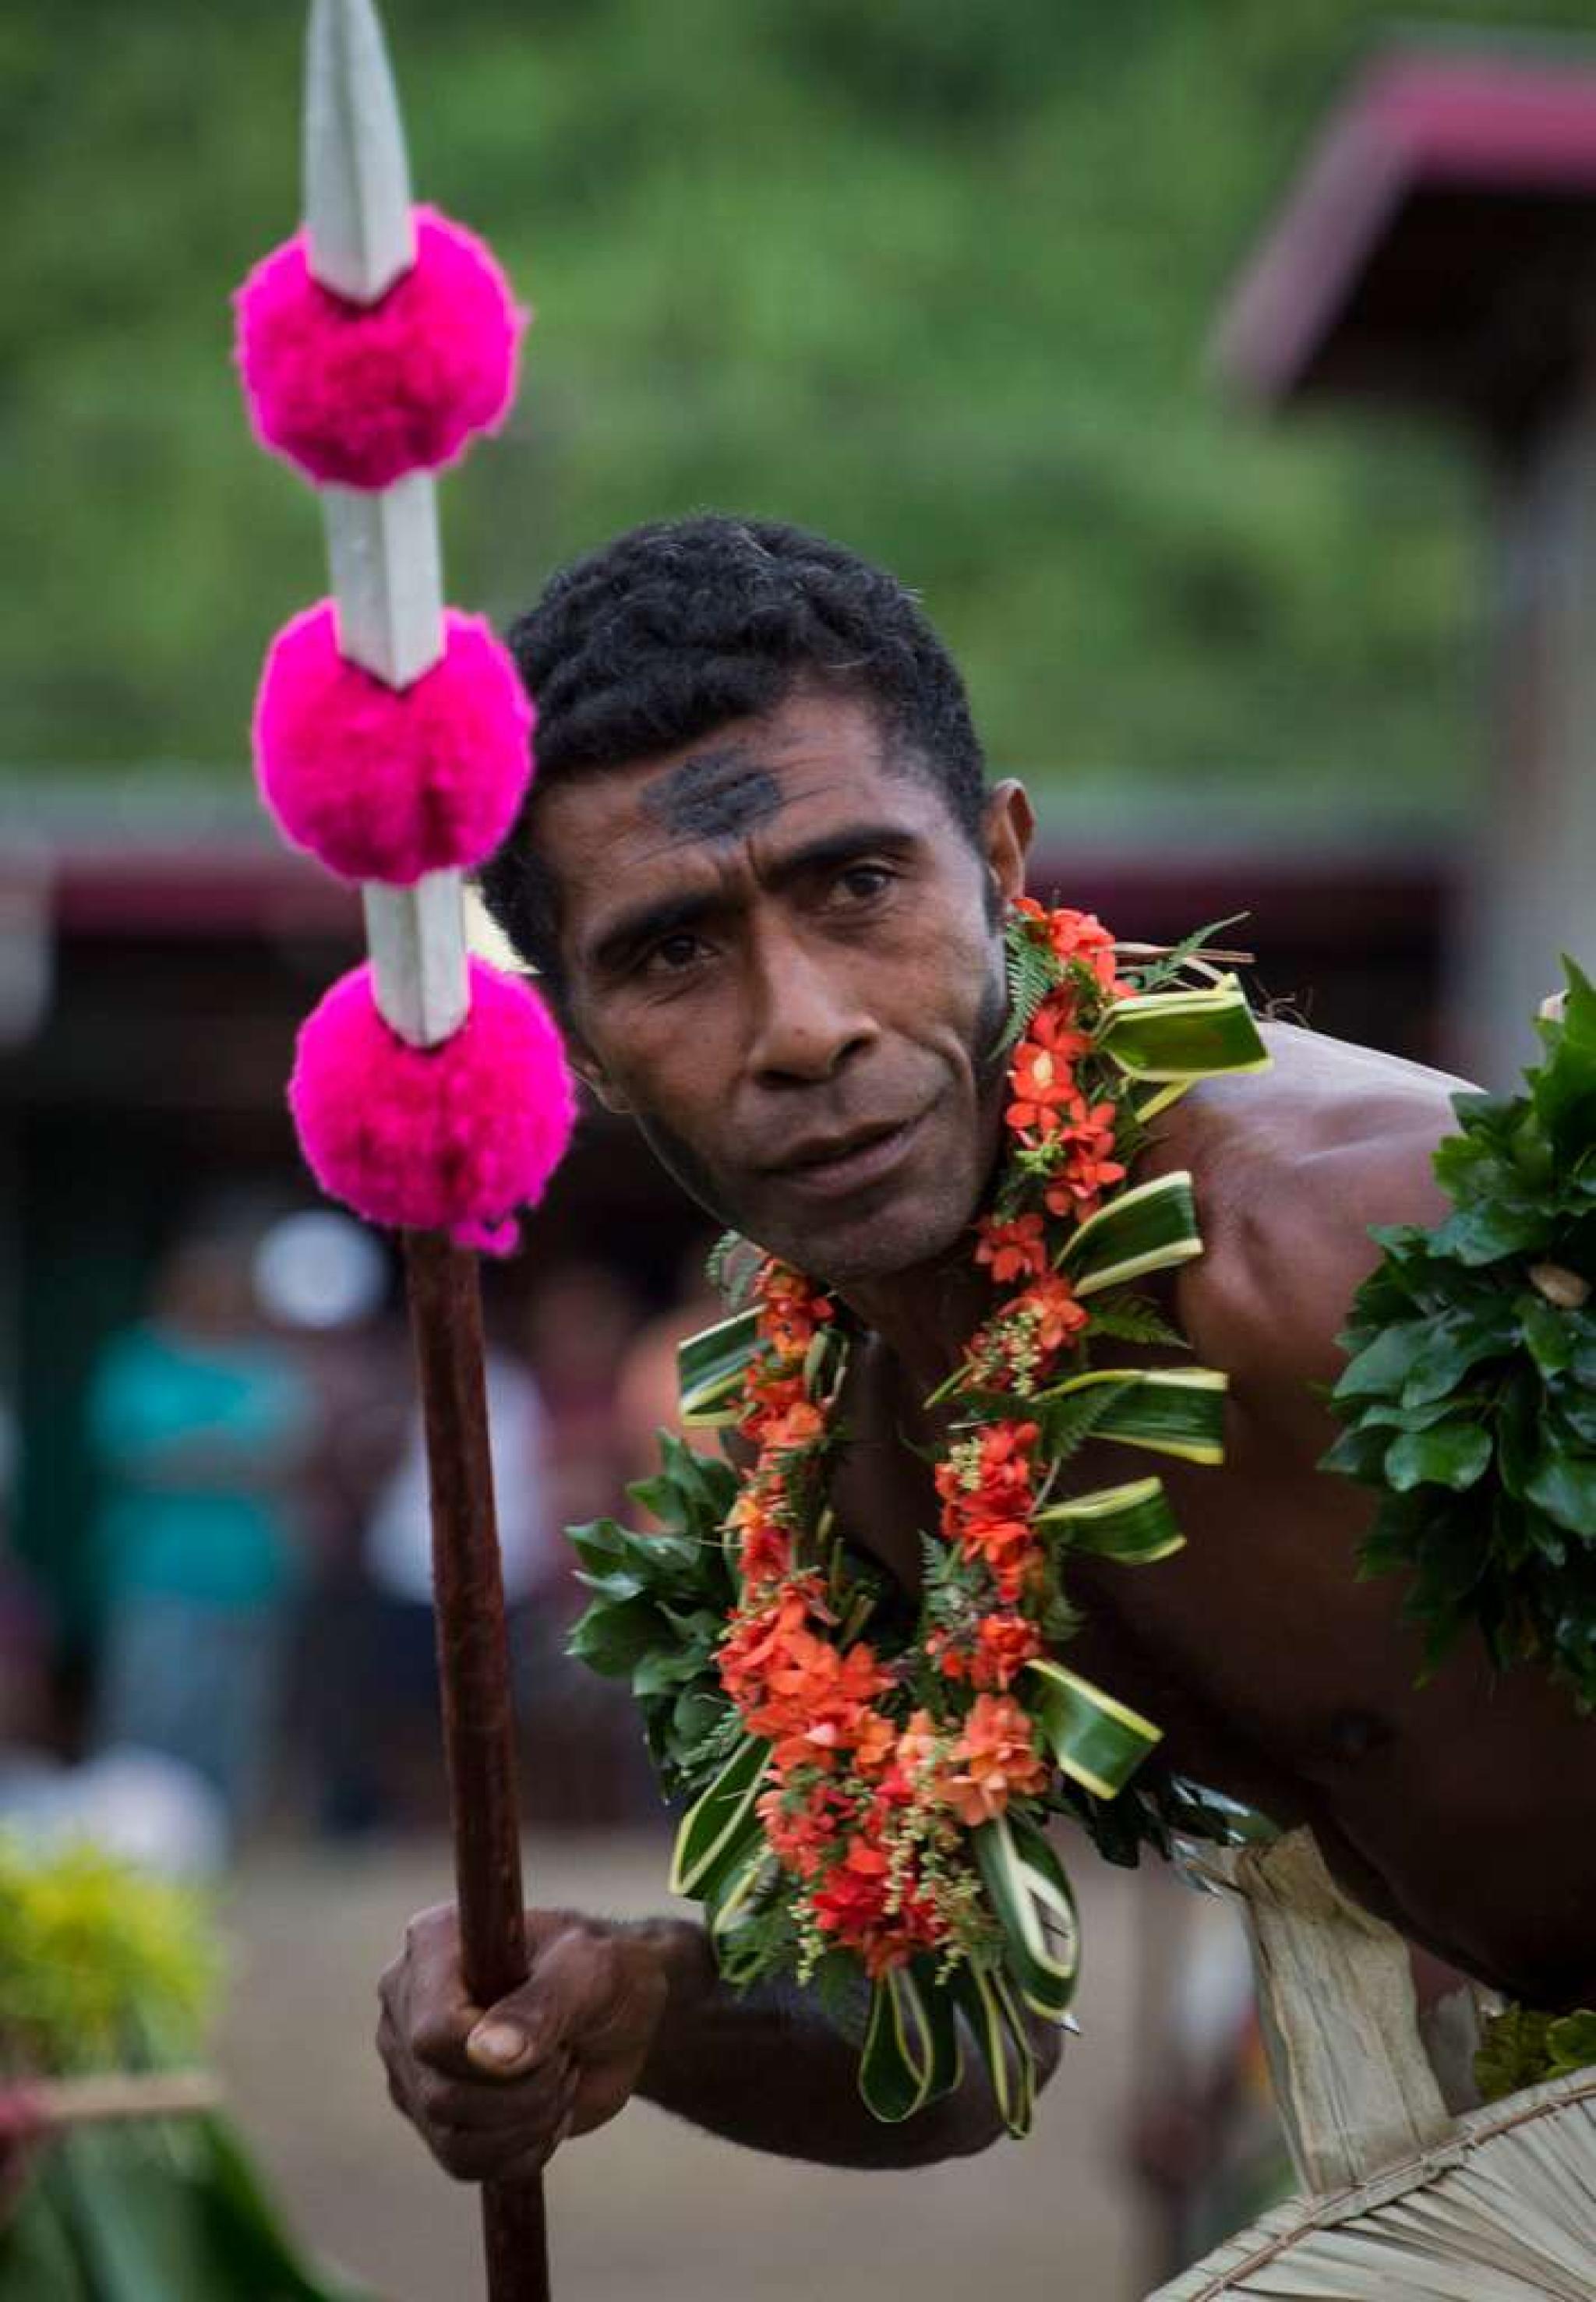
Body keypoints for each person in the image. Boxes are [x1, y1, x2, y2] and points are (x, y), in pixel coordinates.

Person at [377, 515, 1595, 2184]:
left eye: (858, 886)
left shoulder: (1353, 1247)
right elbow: (949, 2043)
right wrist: (639, 1999)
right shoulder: (817, 1452)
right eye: (670, 952)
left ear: (1005, 865)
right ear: (580, 1046)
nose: (803, 1027)